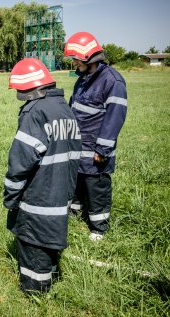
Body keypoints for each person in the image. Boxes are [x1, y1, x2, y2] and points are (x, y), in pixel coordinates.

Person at [4, 58, 81, 294]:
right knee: (49, 244)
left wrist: (11, 197)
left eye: (20, 91)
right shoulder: (64, 108)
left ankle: (34, 294)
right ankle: (50, 278)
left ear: (30, 89)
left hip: (38, 198)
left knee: (34, 246)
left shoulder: (35, 112)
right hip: (61, 193)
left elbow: (20, 162)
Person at [65, 32, 128, 241]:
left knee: (96, 186)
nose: (73, 63)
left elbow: (114, 118)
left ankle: (99, 227)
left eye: (75, 59)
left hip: (95, 149)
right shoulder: (82, 78)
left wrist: (103, 149)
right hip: (78, 146)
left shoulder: (113, 81)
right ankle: (74, 213)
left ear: (88, 58)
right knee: (77, 182)